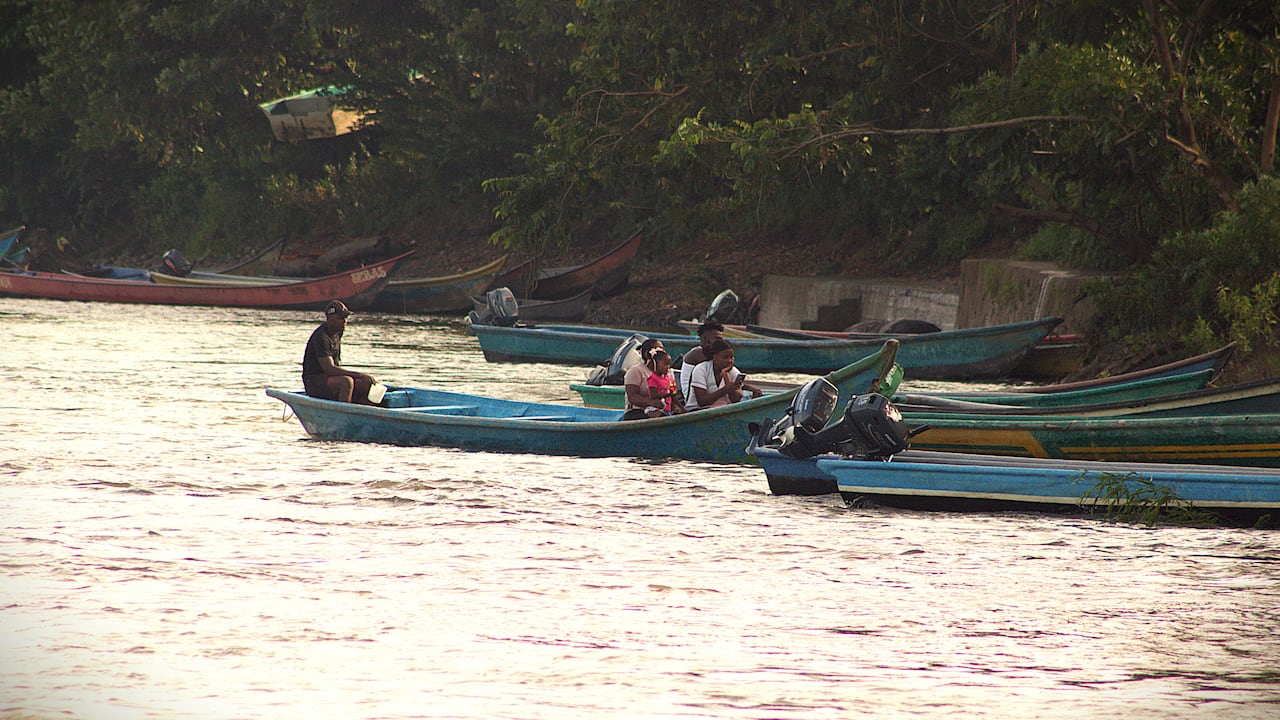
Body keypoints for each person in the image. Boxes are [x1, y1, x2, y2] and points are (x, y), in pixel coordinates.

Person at [301, 299, 380, 404]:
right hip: (314, 382)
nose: (344, 322)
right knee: (346, 382)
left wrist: (363, 379)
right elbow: (330, 369)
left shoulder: (338, 332)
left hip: (329, 379)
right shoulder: (321, 337)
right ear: (329, 319)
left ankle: (363, 412)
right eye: (340, 318)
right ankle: (345, 414)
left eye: (345, 318)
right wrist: (360, 375)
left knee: (367, 384)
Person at [685, 338, 762, 411]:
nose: (729, 361)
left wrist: (725, 377)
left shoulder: (734, 371)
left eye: (731, 357)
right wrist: (725, 389)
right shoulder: (701, 369)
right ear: (715, 357)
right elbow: (702, 401)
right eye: (725, 357)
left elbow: (735, 400)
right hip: (697, 410)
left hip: (721, 410)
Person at [622, 338, 669, 420]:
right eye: (658, 350)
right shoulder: (636, 371)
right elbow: (632, 396)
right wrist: (651, 403)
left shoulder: (666, 372)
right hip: (637, 412)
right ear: (647, 354)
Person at [678, 319, 725, 401]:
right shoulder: (698, 353)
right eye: (717, 339)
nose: (721, 342)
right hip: (694, 400)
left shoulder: (711, 353)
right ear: (705, 338)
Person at [644, 349, 684, 416]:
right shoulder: (652, 379)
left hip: (667, 409)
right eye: (665, 364)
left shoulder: (669, 377)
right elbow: (653, 395)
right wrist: (667, 394)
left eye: (669, 364)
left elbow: (673, 395)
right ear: (655, 363)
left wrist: (682, 408)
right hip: (656, 410)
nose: (668, 367)